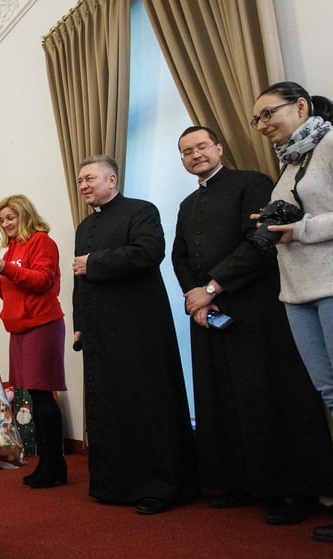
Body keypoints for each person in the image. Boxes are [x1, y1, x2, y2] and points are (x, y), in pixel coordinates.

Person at [172, 126, 333, 524]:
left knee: (272, 398)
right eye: (186, 152)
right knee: (222, 400)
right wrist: (195, 299)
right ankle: (241, 481)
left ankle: (295, 489)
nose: (195, 155)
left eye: (201, 146)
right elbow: (178, 256)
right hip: (208, 316)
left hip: (257, 311)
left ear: (219, 147)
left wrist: (212, 287)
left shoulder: (253, 184)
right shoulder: (187, 203)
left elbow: (259, 243)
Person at [72, 155, 197, 515]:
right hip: (100, 329)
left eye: (90, 178)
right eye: (80, 180)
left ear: (112, 181)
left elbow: (148, 253)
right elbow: (79, 278)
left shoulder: (142, 210)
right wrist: (80, 321)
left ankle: (160, 486)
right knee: (110, 404)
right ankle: (115, 485)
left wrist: (93, 262)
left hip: (139, 328)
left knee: (145, 402)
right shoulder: (84, 226)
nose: (83, 186)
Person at [250, 81, 333, 541]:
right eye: (256, 119)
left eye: (269, 113)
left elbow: (308, 223)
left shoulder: (330, 143)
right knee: (329, 397)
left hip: (331, 283)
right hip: (295, 293)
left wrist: (299, 230)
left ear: (301, 106)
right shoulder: (288, 163)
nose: (263, 125)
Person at [0, 194, 68, 489]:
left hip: (42, 323)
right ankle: (47, 463)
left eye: (11, 217)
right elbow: (10, 291)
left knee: (43, 395)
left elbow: (43, 281)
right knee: (32, 395)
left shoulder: (41, 241)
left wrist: (5, 269)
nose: (6, 223)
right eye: (2, 219)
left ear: (24, 215)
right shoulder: (14, 247)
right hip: (18, 326)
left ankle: (54, 464)